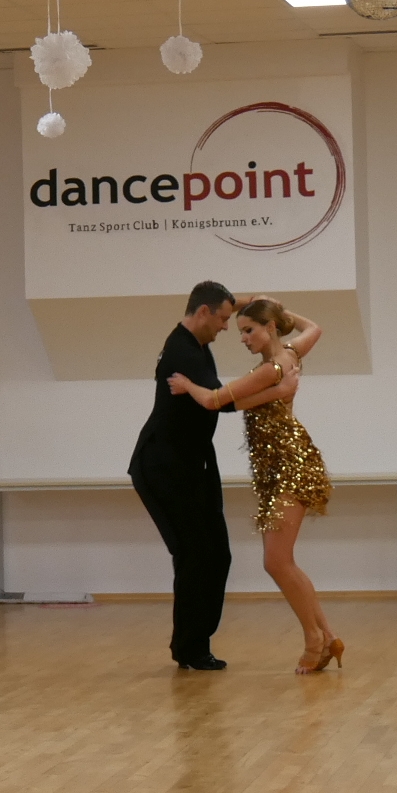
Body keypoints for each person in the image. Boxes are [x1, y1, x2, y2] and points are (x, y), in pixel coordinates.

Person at [168, 298, 343, 674]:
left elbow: (213, 400)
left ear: (271, 328)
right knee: (283, 561)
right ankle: (327, 637)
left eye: (249, 330)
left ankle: (315, 640)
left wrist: (186, 384)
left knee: (277, 561)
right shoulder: (290, 353)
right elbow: (314, 328)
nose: (243, 337)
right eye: (241, 331)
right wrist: (275, 306)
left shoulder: (273, 368)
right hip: (281, 466)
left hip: (287, 467)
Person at [129, 281, 240, 671]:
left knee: (217, 554)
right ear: (204, 312)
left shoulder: (194, 341)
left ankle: (194, 643)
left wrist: (254, 301)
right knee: (196, 554)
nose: (226, 327)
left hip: (192, 463)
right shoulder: (182, 351)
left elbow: (211, 298)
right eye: (223, 319)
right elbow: (223, 402)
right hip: (164, 466)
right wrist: (272, 381)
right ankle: (190, 647)